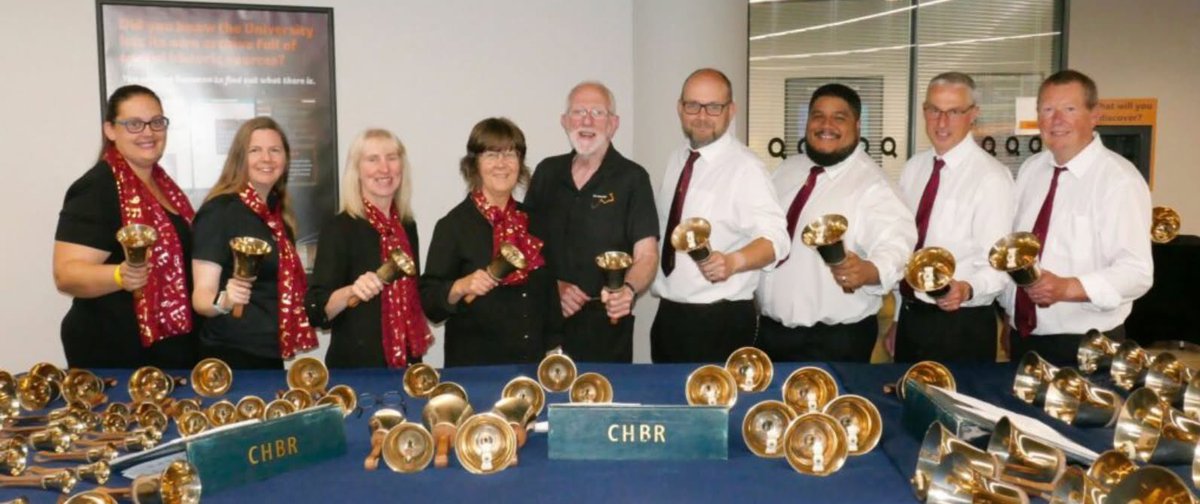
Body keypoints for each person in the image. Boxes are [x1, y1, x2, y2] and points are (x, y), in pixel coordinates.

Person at [1002, 69, 1153, 364]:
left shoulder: (1119, 180)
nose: (1056, 120)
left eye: (1069, 109)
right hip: (1024, 336)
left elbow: (1137, 273)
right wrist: (1010, 316)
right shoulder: (1032, 169)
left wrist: (1068, 287)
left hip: (1087, 346)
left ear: (1095, 115)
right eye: (1047, 110)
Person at [757, 83, 915, 363]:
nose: (825, 125)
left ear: (857, 125)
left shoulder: (873, 185)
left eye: (838, 118)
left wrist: (867, 270)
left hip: (834, 341)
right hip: (771, 334)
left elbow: (897, 247)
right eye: (817, 116)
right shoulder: (786, 170)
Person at [53, 84, 198, 369]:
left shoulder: (164, 186)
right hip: (113, 351)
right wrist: (120, 275)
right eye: (134, 124)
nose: (148, 132)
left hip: (166, 349)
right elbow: (66, 274)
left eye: (156, 122)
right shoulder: (96, 188)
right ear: (110, 130)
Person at [650, 68, 790, 363]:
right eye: (693, 105)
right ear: (680, 108)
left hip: (719, 320)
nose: (702, 116)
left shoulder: (746, 168)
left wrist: (733, 261)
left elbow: (777, 240)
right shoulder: (678, 157)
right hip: (671, 315)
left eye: (714, 107)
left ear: (731, 110)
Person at [525, 82, 659, 363]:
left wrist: (629, 290)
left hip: (605, 330)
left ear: (613, 124)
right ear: (565, 121)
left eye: (598, 112)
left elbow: (646, 255)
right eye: (578, 112)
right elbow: (526, 246)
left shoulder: (633, 179)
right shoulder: (547, 172)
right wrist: (555, 286)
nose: (586, 120)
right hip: (543, 322)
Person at [890, 73, 1014, 362]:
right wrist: (898, 317)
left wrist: (967, 289)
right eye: (934, 110)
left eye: (954, 112)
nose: (942, 122)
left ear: (973, 115)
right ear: (924, 112)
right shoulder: (914, 168)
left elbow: (999, 266)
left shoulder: (991, 178)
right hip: (912, 315)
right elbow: (908, 249)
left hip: (961, 323)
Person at [420, 118, 563, 366]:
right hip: (475, 368)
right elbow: (430, 302)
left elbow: (548, 294)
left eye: (510, 153)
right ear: (474, 164)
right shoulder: (453, 226)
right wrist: (462, 285)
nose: (502, 164)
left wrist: (553, 349)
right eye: (491, 154)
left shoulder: (536, 221)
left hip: (532, 366)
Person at [191, 117, 317, 369]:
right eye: (255, 150)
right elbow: (201, 298)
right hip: (229, 357)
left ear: (286, 159)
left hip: (268, 352)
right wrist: (224, 300)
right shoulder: (220, 211)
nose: (267, 159)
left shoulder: (277, 216)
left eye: (275, 150)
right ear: (240, 158)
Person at [305, 129, 433, 368]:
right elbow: (316, 310)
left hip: (408, 366)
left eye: (392, 158)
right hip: (355, 371)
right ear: (357, 171)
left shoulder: (407, 226)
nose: (384, 169)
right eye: (372, 159)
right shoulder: (339, 228)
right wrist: (352, 290)